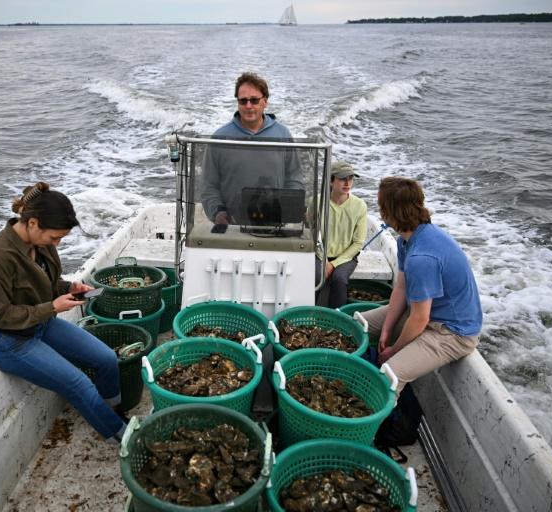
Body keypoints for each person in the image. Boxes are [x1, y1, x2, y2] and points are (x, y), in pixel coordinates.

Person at [0, 182, 127, 445]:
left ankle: (113, 412)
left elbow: (48, 284)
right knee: (79, 384)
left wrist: (69, 288)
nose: (58, 243)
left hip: (41, 324)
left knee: (106, 358)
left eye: (61, 238)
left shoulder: (41, 244)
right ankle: (120, 435)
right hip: (8, 342)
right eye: (55, 237)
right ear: (32, 223)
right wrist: (52, 307)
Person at [360, 177, 482, 396]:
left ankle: (371, 424)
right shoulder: (406, 240)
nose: (380, 212)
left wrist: (393, 351)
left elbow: (419, 319)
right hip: (425, 314)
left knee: (390, 375)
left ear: (392, 212)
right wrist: (386, 330)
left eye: (381, 207)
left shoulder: (422, 257)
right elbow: (401, 289)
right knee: (358, 325)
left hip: (451, 332)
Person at [201, 72, 302, 225]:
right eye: (243, 101)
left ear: (265, 102)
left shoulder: (283, 135)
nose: (248, 106)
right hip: (233, 225)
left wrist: (289, 211)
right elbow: (209, 186)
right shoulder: (219, 138)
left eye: (254, 100)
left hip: (275, 223)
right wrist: (218, 213)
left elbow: (294, 178)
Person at [315, 160, 368, 308]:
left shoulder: (360, 206)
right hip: (319, 254)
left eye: (350, 178)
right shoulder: (318, 201)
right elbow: (311, 234)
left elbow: (358, 243)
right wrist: (323, 259)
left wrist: (333, 264)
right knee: (317, 277)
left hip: (347, 256)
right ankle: (309, 314)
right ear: (331, 181)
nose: (347, 183)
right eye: (342, 178)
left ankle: (336, 319)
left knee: (339, 279)